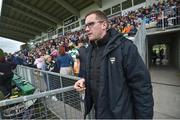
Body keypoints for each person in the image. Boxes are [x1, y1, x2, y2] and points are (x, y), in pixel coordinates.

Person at [74, 10, 154, 119]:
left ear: (104, 25)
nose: (87, 29)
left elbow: (142, 88)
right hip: (100, 113)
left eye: (91, 24)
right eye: (86, 26)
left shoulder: (125, 47)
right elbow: (100, 75)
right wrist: (85, 81)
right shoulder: (90, 50)